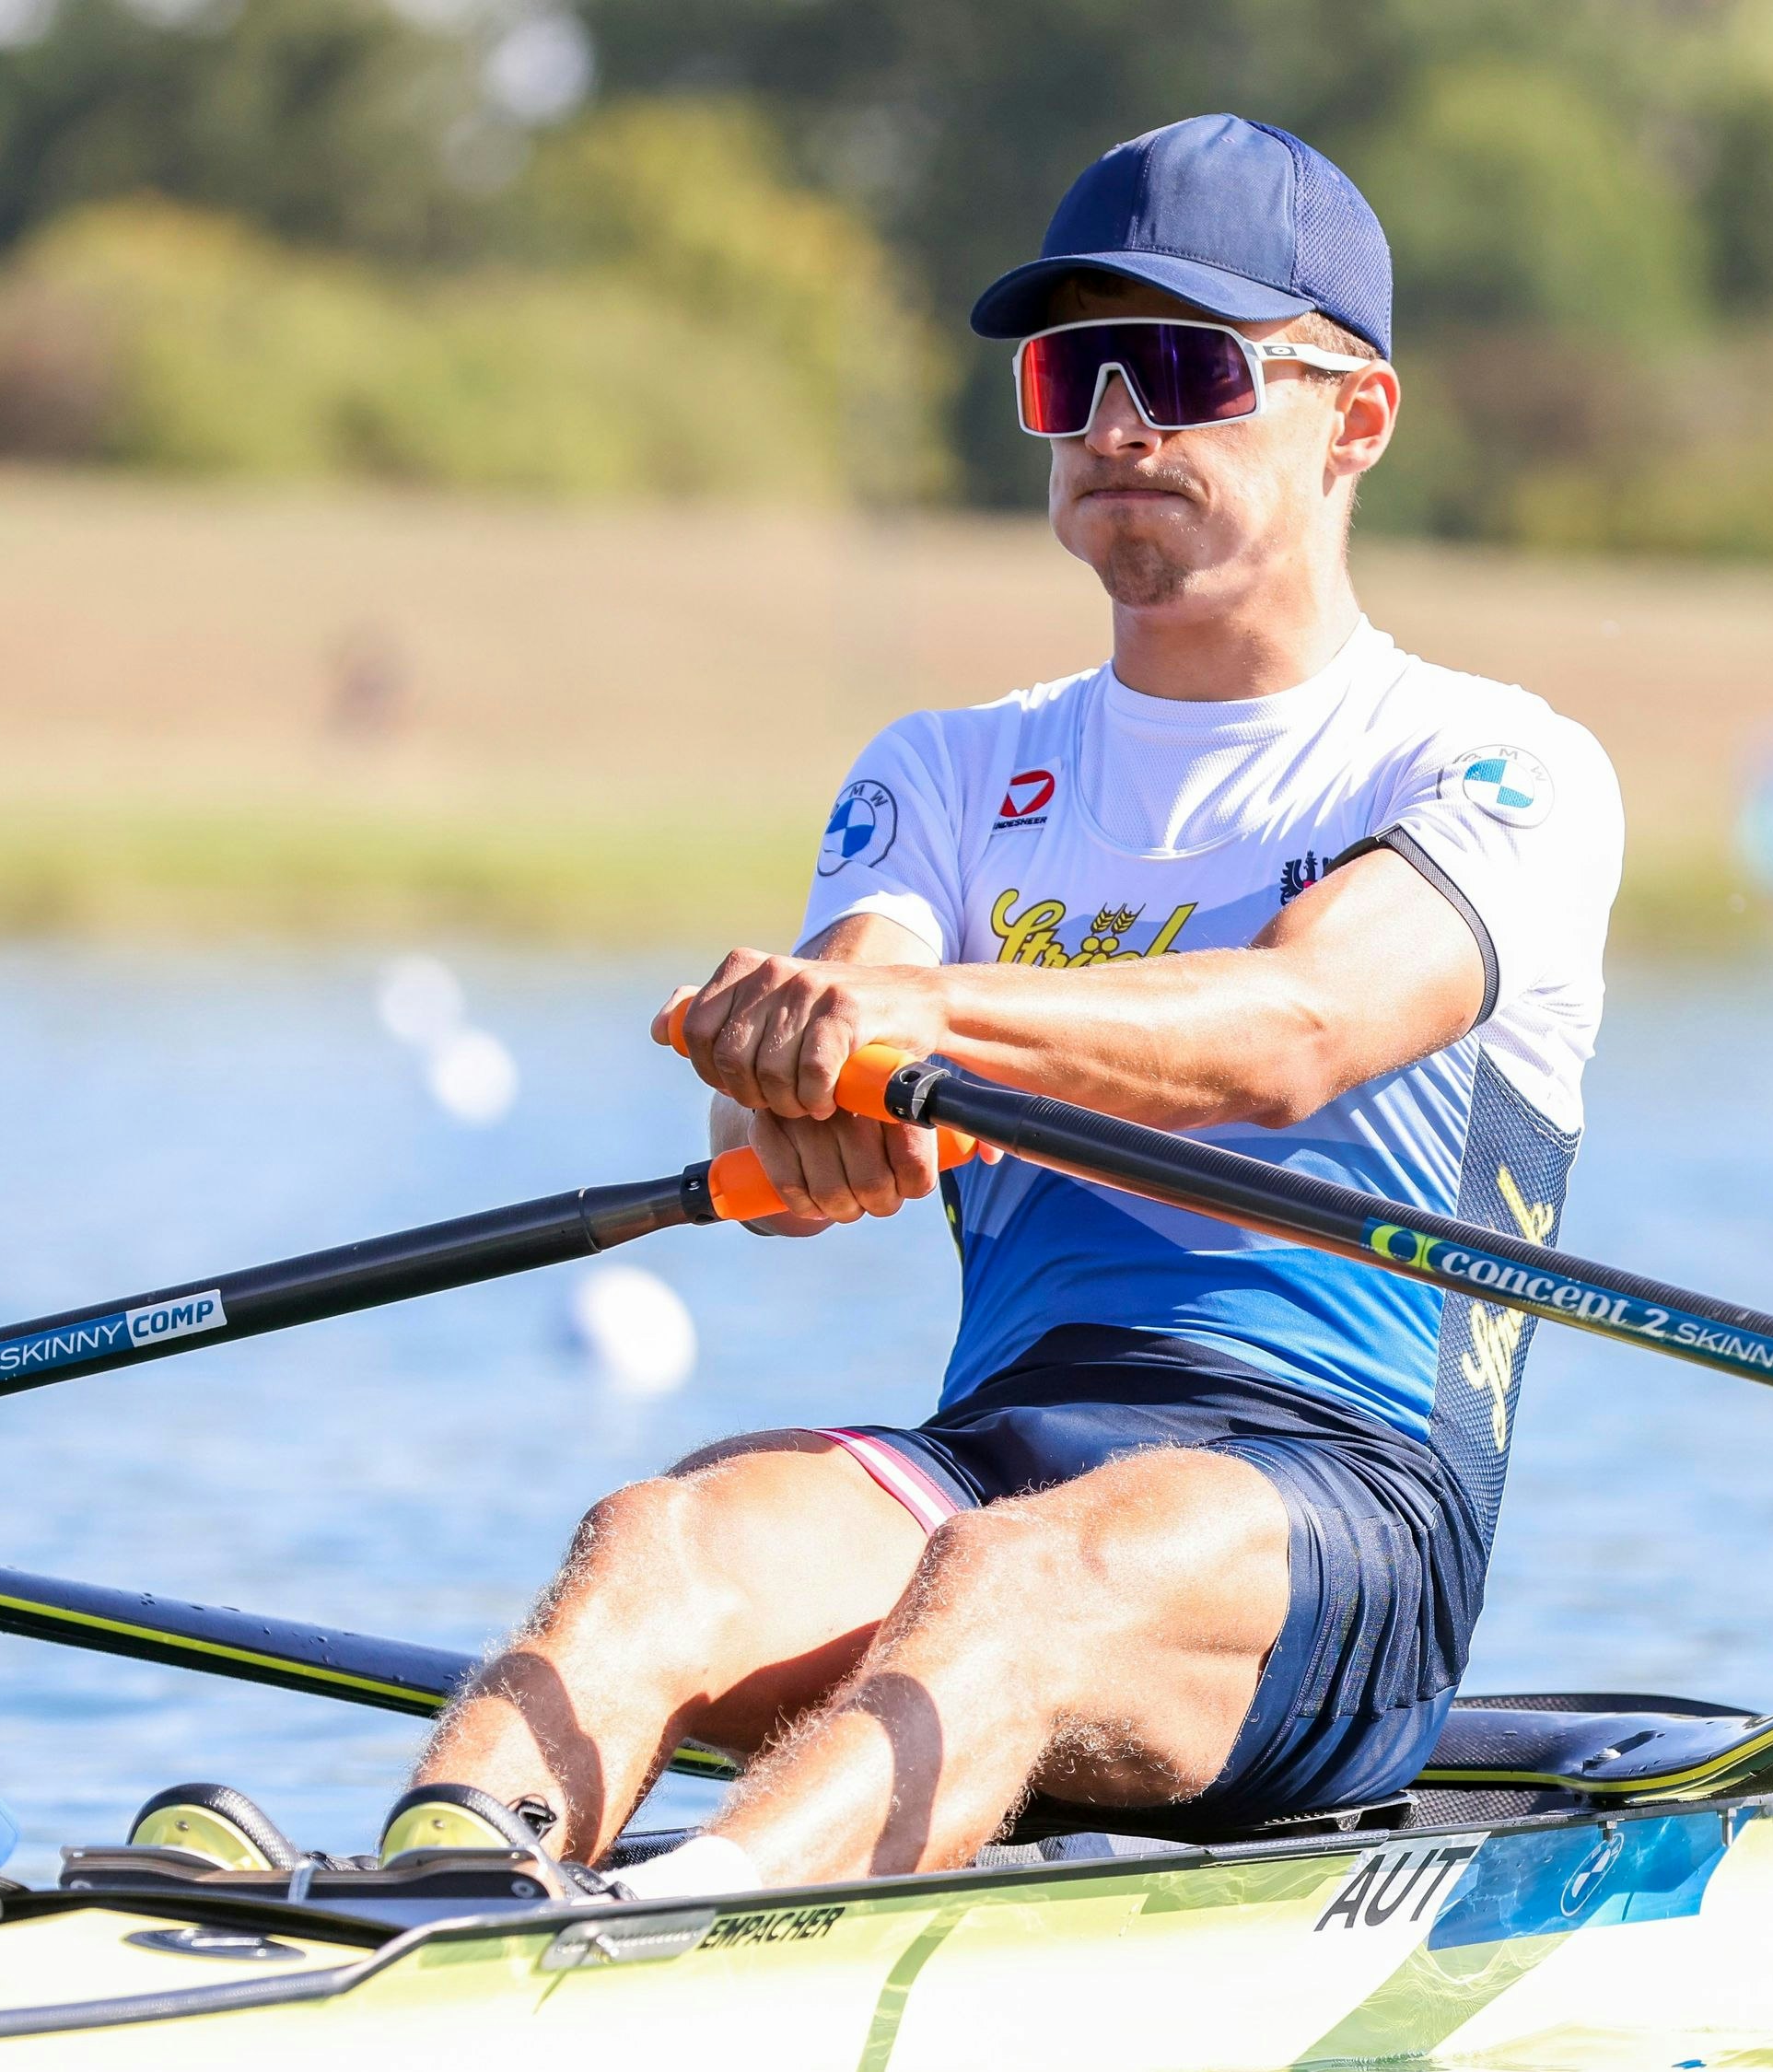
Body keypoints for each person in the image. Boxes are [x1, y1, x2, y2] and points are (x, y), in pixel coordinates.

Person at [379, 113, 1622, 1899]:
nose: (1117, 422)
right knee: (660, 1536)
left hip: (1331, 1511)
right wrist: (794, 1092)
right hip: (998, 1450)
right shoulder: (948, 771)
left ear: (1354, 418)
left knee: (1016, 1578)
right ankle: (412, 1899)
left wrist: (897, 1032)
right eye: (1073, 370)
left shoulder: (1493, 763)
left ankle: (668, 1942)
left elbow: (1290, 1034)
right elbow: (840, 1064)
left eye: (1184, 368)